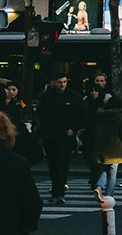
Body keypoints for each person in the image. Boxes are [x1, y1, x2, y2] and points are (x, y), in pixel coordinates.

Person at [34, 74, 84, 205]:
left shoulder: (73, 96)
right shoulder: (46, 97)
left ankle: (59, 191)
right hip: (51, 134)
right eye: (60, 82)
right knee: (53, 165)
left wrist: (74, 128)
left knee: (62, 164)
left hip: (65, 135)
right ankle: (57, 190)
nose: (62, 85)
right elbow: (40, 114)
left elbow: (81, 114)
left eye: (64, 82)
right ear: (53, 83)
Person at [85, 90, 122, 198]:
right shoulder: (121, 116)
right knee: (113, 173)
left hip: (102, 146)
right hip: (116, 147)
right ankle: (109, 195)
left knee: (104, 169)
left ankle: (99, 186)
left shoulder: (100, 115)